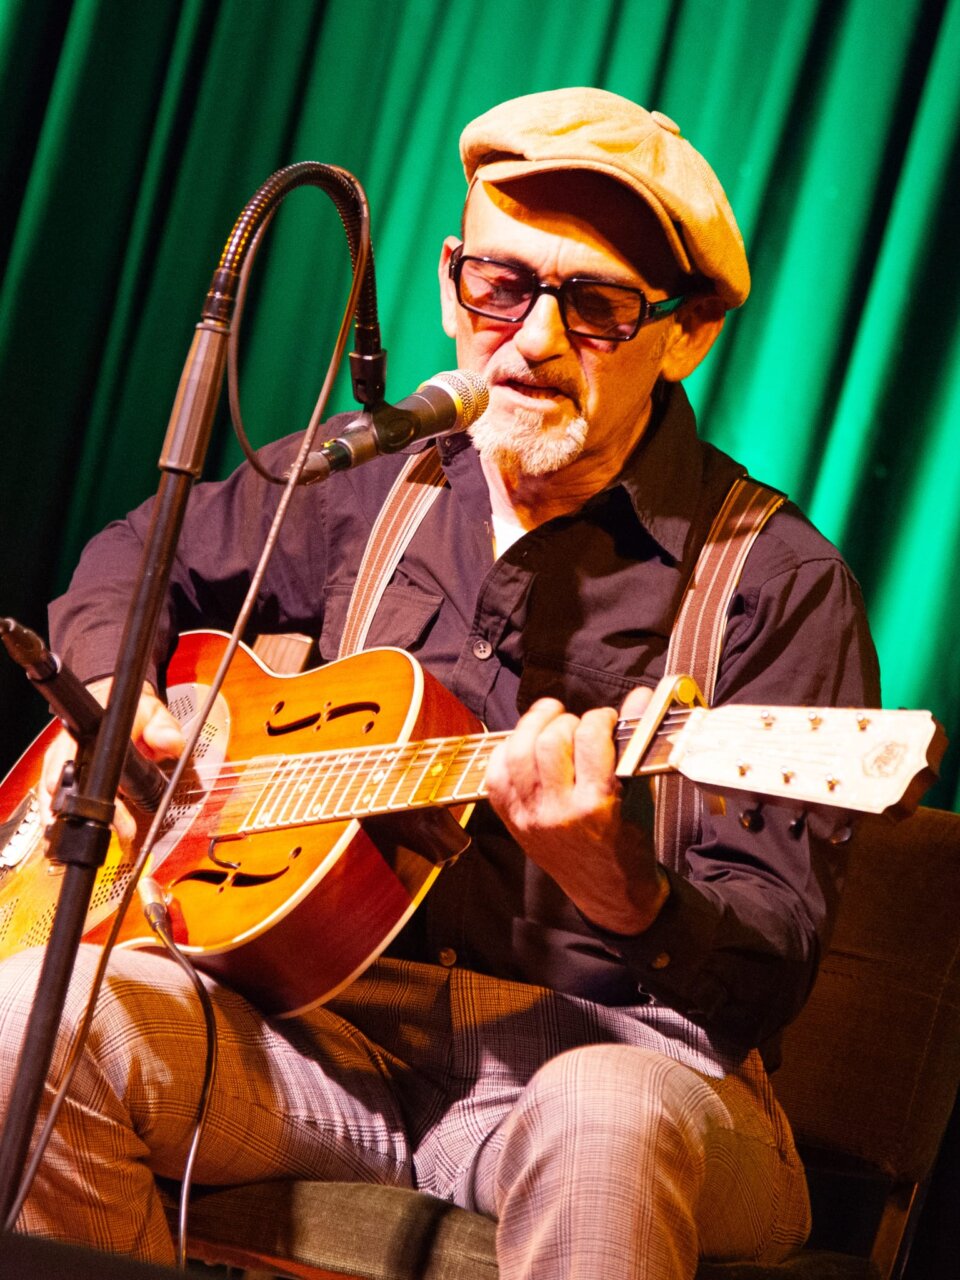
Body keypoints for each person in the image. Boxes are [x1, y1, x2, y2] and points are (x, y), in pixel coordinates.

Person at [0, 87, 879, 1278]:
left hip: (623, 1059)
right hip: (321, 1031)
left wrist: (621, 886)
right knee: (27, 1024)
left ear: (687, 335)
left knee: (601, 1119)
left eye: (597, 306)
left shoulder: (776, 582)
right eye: (501, 285)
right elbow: (137, 555)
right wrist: (123, 696)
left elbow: (766, 972)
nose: (533, 340)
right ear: (450, 281)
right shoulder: (379, 480)